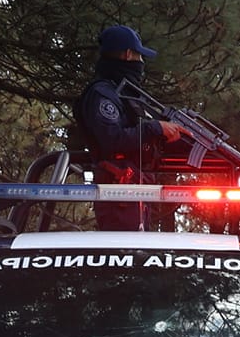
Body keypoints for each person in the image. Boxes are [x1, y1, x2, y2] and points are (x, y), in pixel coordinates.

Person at [74, 24, 186, 231]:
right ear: (128, 55)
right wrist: (154, 128)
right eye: (140, 56)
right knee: (126, 255)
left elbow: (135, 135)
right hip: (119, 191)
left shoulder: (122, 94)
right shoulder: (103, 94)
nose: (142, 63)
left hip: (132, 187)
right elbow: (111, 139)